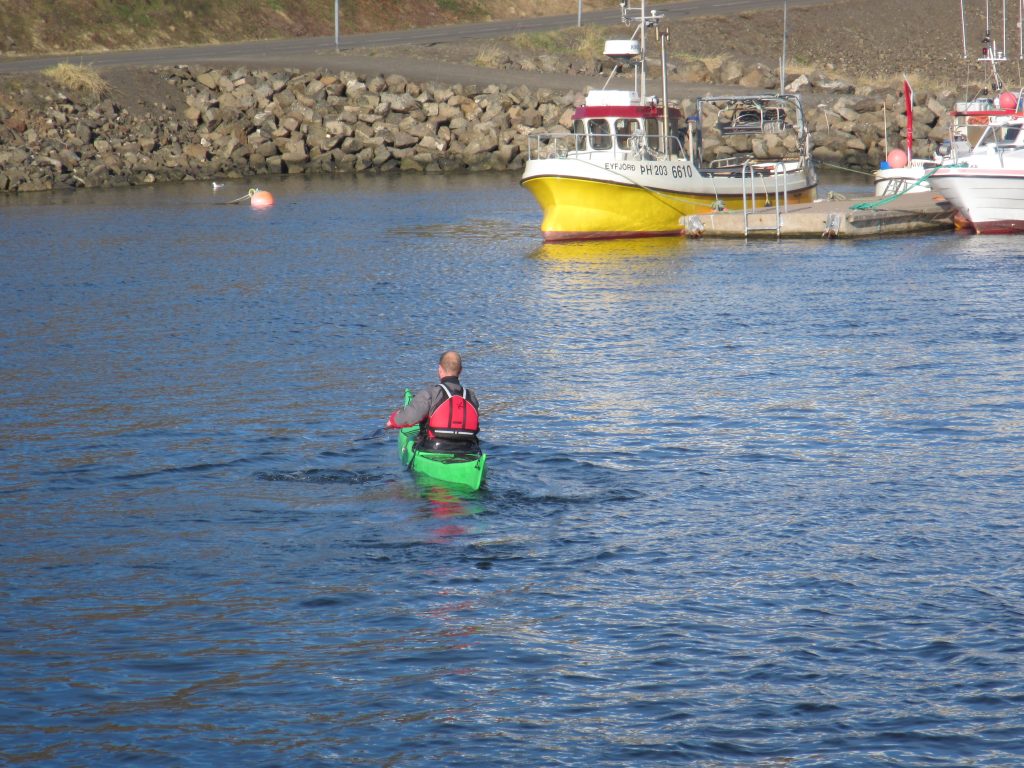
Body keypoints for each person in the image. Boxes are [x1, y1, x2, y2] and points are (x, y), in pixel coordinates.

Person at [386, 350, 481, 452]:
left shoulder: (431, 393)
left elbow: (409, 417)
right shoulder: (471, 396)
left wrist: (392, 421)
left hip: (434, 448)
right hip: (468, 449)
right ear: (461, 371)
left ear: (440, 369)